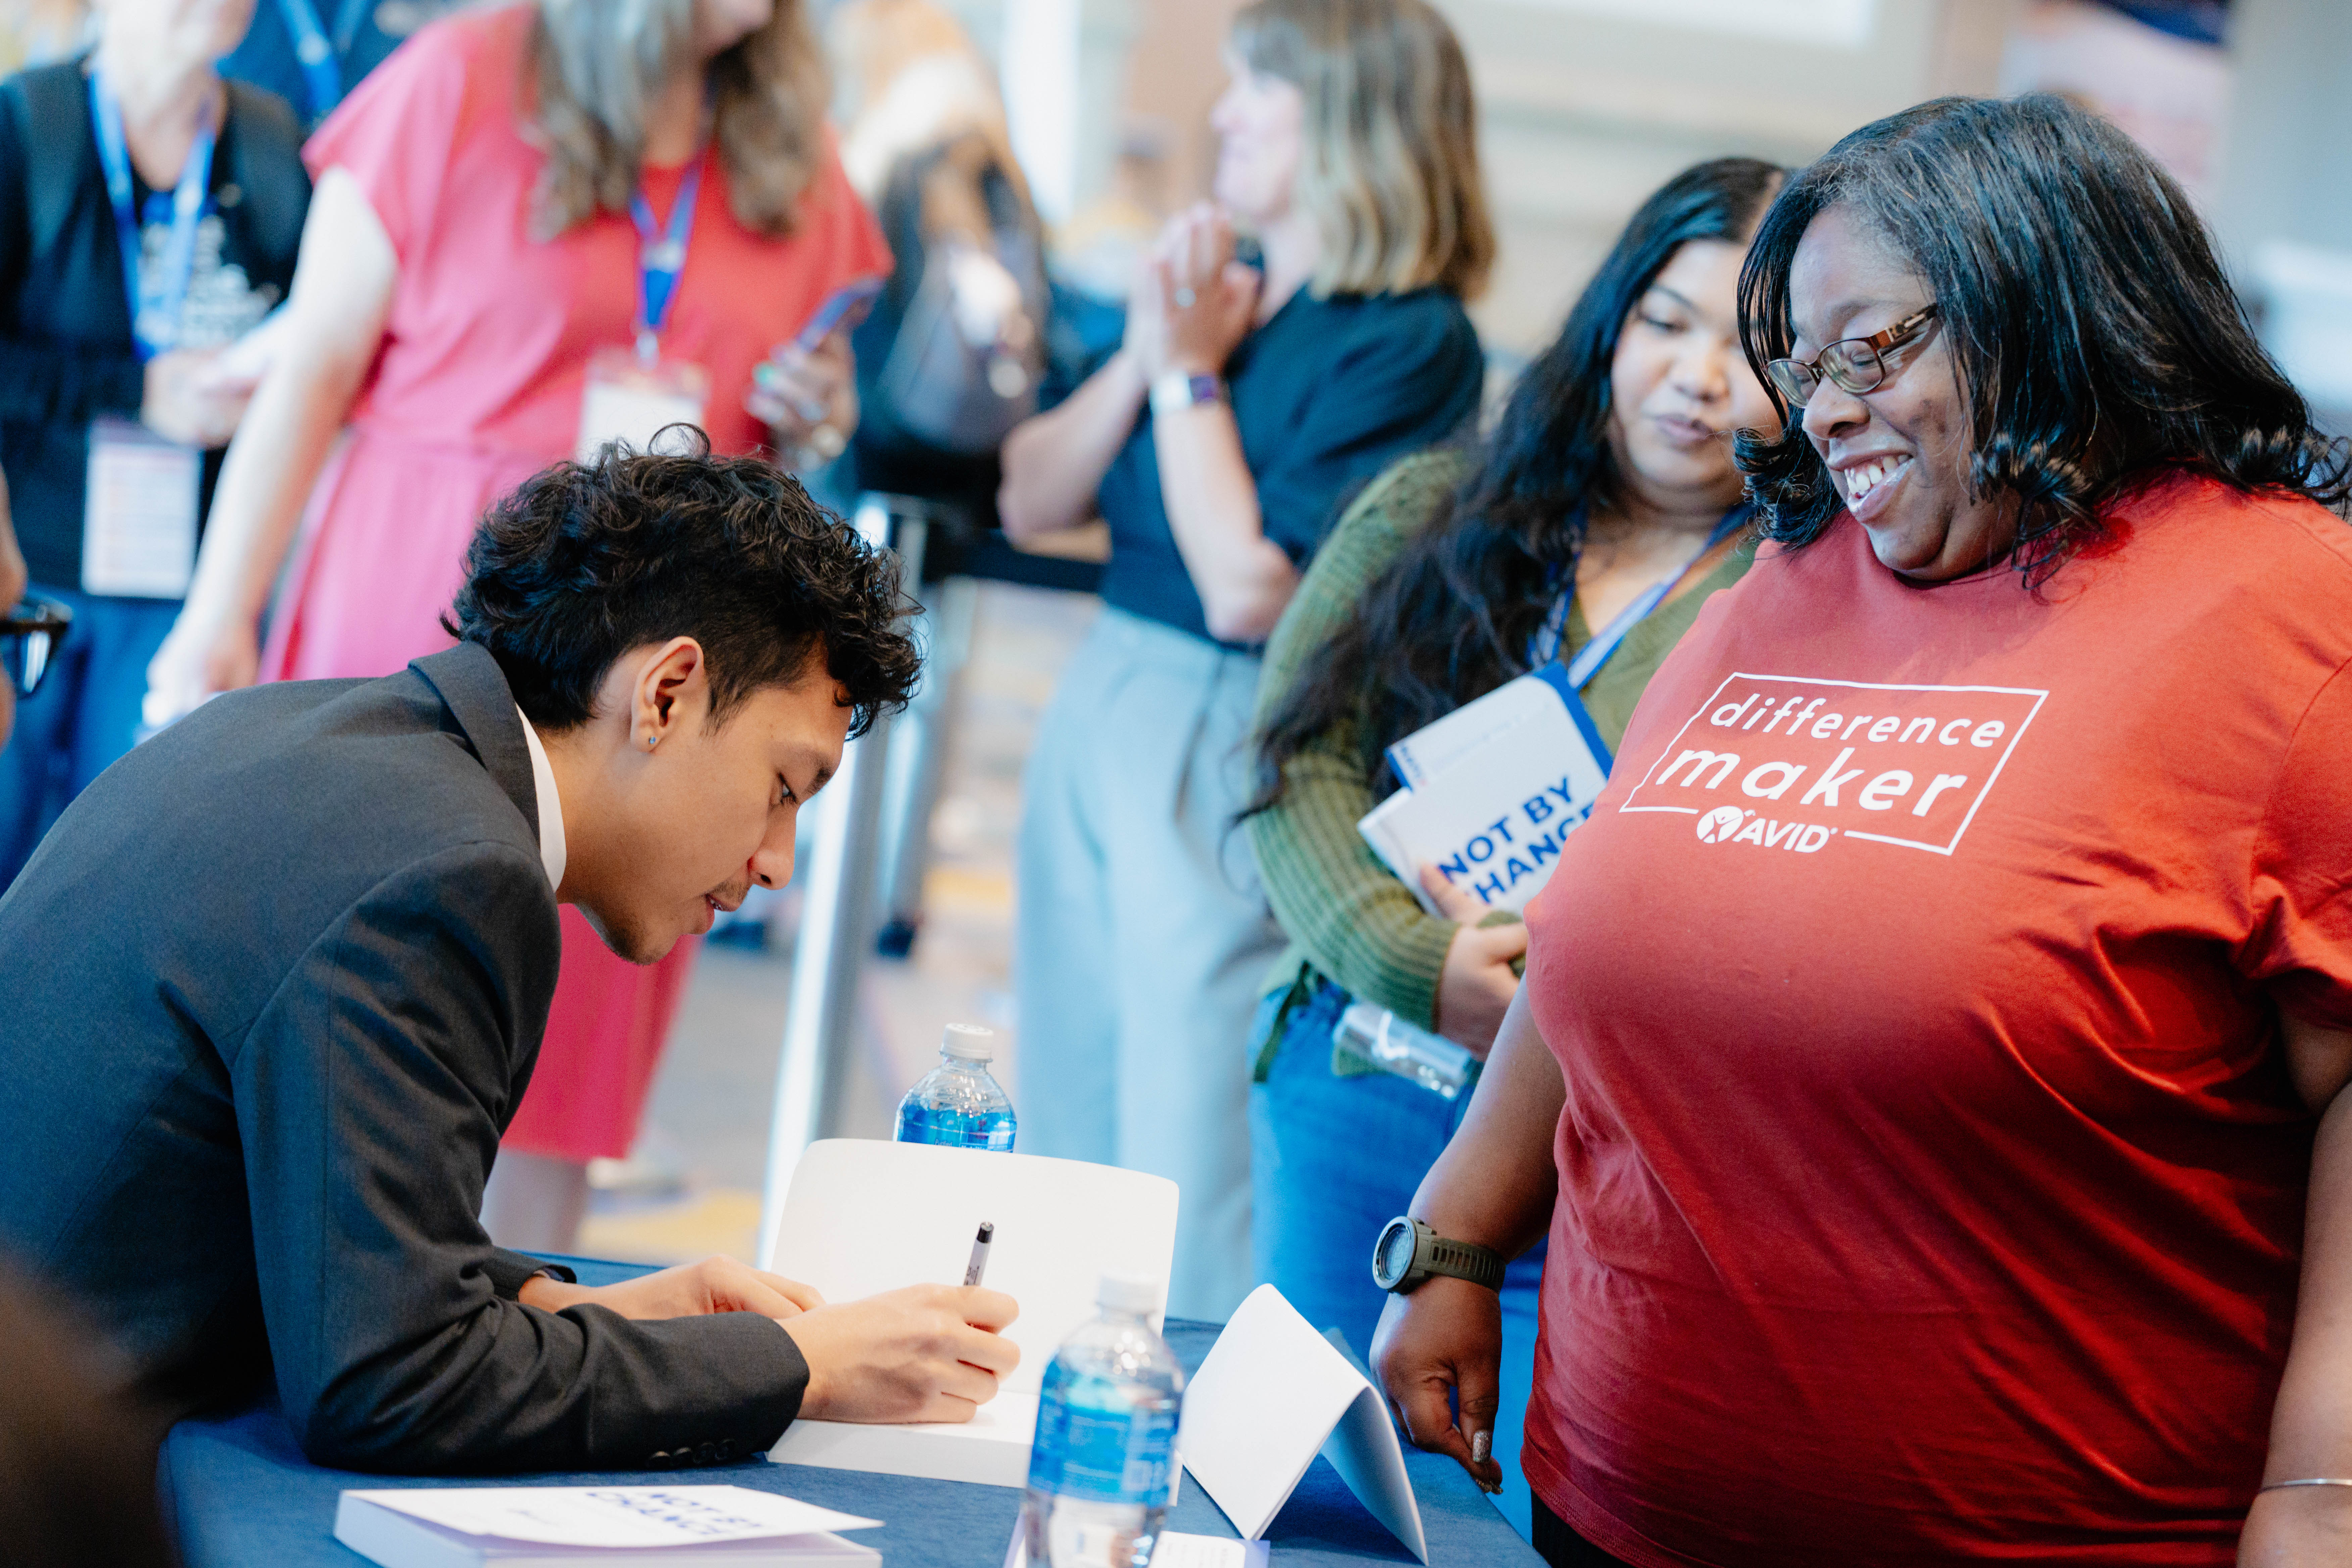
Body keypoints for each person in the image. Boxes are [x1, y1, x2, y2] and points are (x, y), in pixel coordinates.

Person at [1370, 94, 2352, 1567]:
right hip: (1607, 1508)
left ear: (2055, 301)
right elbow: (1608, 921)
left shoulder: (2287, 613)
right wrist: (1453, 1234)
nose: (1822, 410)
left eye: (1874, 347)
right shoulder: (1792, 575)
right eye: (1805, 366)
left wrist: (2321, 1490)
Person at [0, 445, 1022, 1472]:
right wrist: (797, 1362)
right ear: (665, 694)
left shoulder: (314, 736)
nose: (775, 863)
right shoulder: (450, 874)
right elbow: (394, 1386)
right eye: (784, 788)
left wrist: (550, 1303)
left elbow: (323, 1220)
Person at [143, 0, 891, 1253]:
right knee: (343, 1014)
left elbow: (791, 408)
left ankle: (508, 1375)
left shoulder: (790, 147)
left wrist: (818, 412)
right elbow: (316, 364)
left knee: (566, 1064)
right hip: (427, 594)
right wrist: (218, 618)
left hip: (661, 679)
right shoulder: (461, 81)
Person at [1243, 156, 1782, 1536]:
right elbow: (1297, 757)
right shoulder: (1438, 505)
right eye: (1666, 322)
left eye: (1749, 341)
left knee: (1509, 1511)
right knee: (1308, 1500)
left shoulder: (1802, 594)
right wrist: (1413, 959)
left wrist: (1557, 996)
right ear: (1609, 322)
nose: (1697, 376)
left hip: (1604, 1151)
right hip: (1359, 1073)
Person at [996, 0, 1491, 1321]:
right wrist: (1155, 356)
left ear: (1346, 112)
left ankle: (1173, 1442)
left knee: (1186, 1138)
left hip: (1236, 724)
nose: (1224, 116)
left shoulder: (1410, 337)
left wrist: (1187, 378)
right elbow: (1032, 496)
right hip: (1104, 689)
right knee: (1068, 1087)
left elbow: (1244, 587)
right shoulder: (1215, 300)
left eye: (1254, 89)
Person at [0, 0, 306, 887]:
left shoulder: (273, 144)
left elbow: (314, 341)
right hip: (30, 575)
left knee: (116, 872)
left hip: (180, 594)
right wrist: (140, 392)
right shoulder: (27, 126)